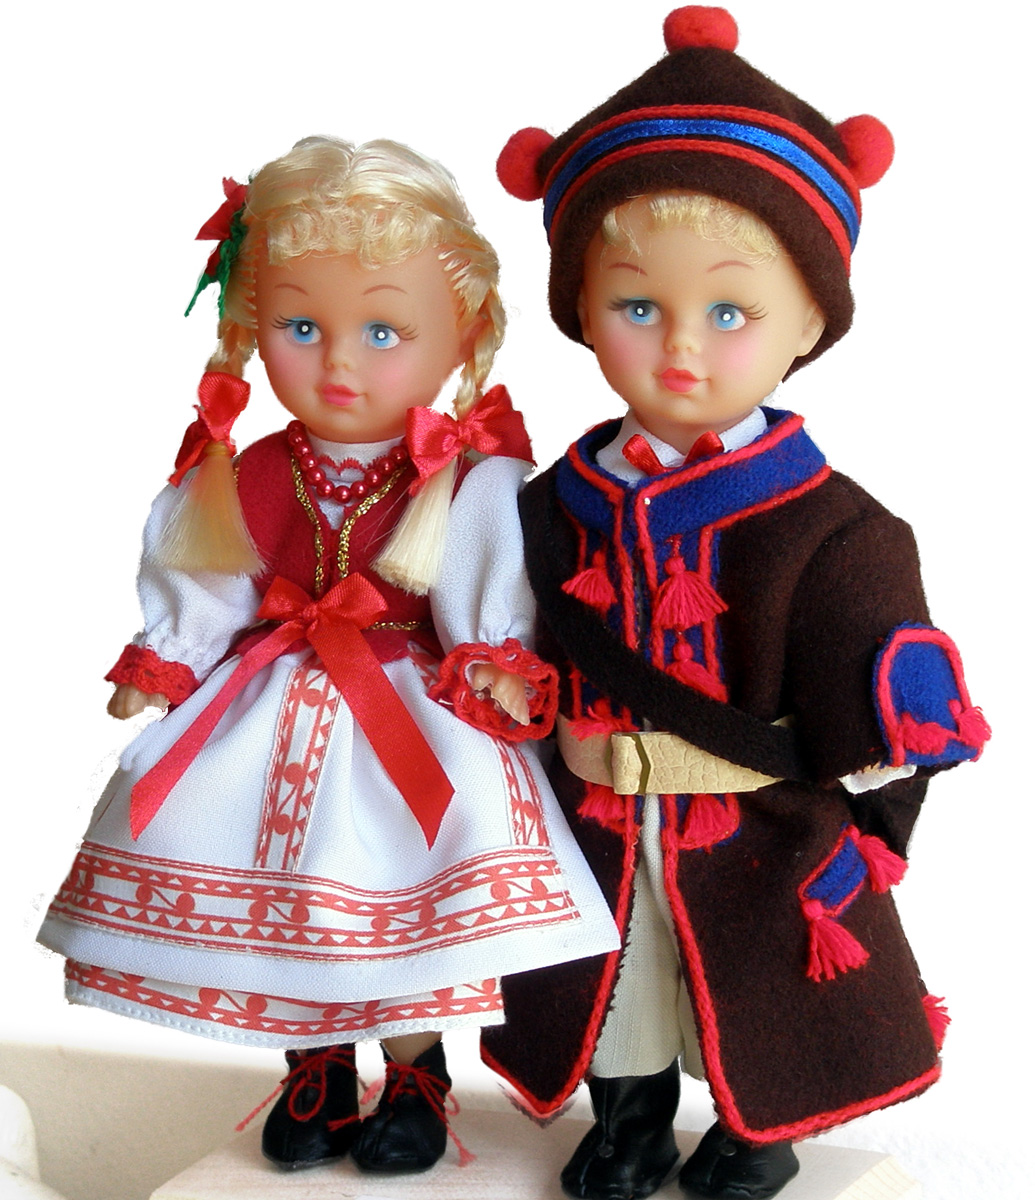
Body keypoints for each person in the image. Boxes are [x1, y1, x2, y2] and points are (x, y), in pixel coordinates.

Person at [37, 135, 619, 1176]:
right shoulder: (249, 471)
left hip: (415, 709)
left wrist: (494, 661)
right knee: (281, 888)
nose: (339, 362)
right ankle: (316, 1067)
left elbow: (488, 586)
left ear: (463, 334)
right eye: (301, 328)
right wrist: (167, 661)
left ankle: (415, 1074)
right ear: (250, 327)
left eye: (383, 330)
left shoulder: (466, 479)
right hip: (268, 704)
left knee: (397, 896)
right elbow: (210, 577)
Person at [481, 8, 989, 1200]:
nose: (681, 348)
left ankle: (758, 1131)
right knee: (611, 982)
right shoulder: (547, 505)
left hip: (759, 824)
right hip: (593, 815)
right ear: (581, 309)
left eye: (731, 312)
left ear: (809, 321)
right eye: (636, 306)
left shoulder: (836, 527)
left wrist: (878, 817)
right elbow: (510, 645)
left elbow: (885, 722)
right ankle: (628, 1125)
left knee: (755, 993)